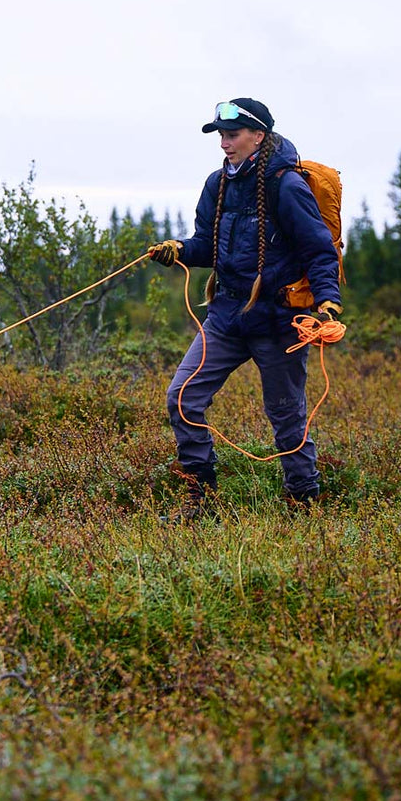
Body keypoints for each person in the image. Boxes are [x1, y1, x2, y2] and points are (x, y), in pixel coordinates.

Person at [147, 98, 342, 518]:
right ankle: (202, 501)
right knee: (181, 397)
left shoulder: (287, 186)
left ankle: (303, 503)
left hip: (279, 323)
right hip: (226, 317)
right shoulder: (216, 185)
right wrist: (179, 249)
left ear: (259, 136)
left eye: (232, 135)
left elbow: (318, 250)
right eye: (220, 135)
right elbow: (207, 245)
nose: (224, 143)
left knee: (287, 416)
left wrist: (327, 302)